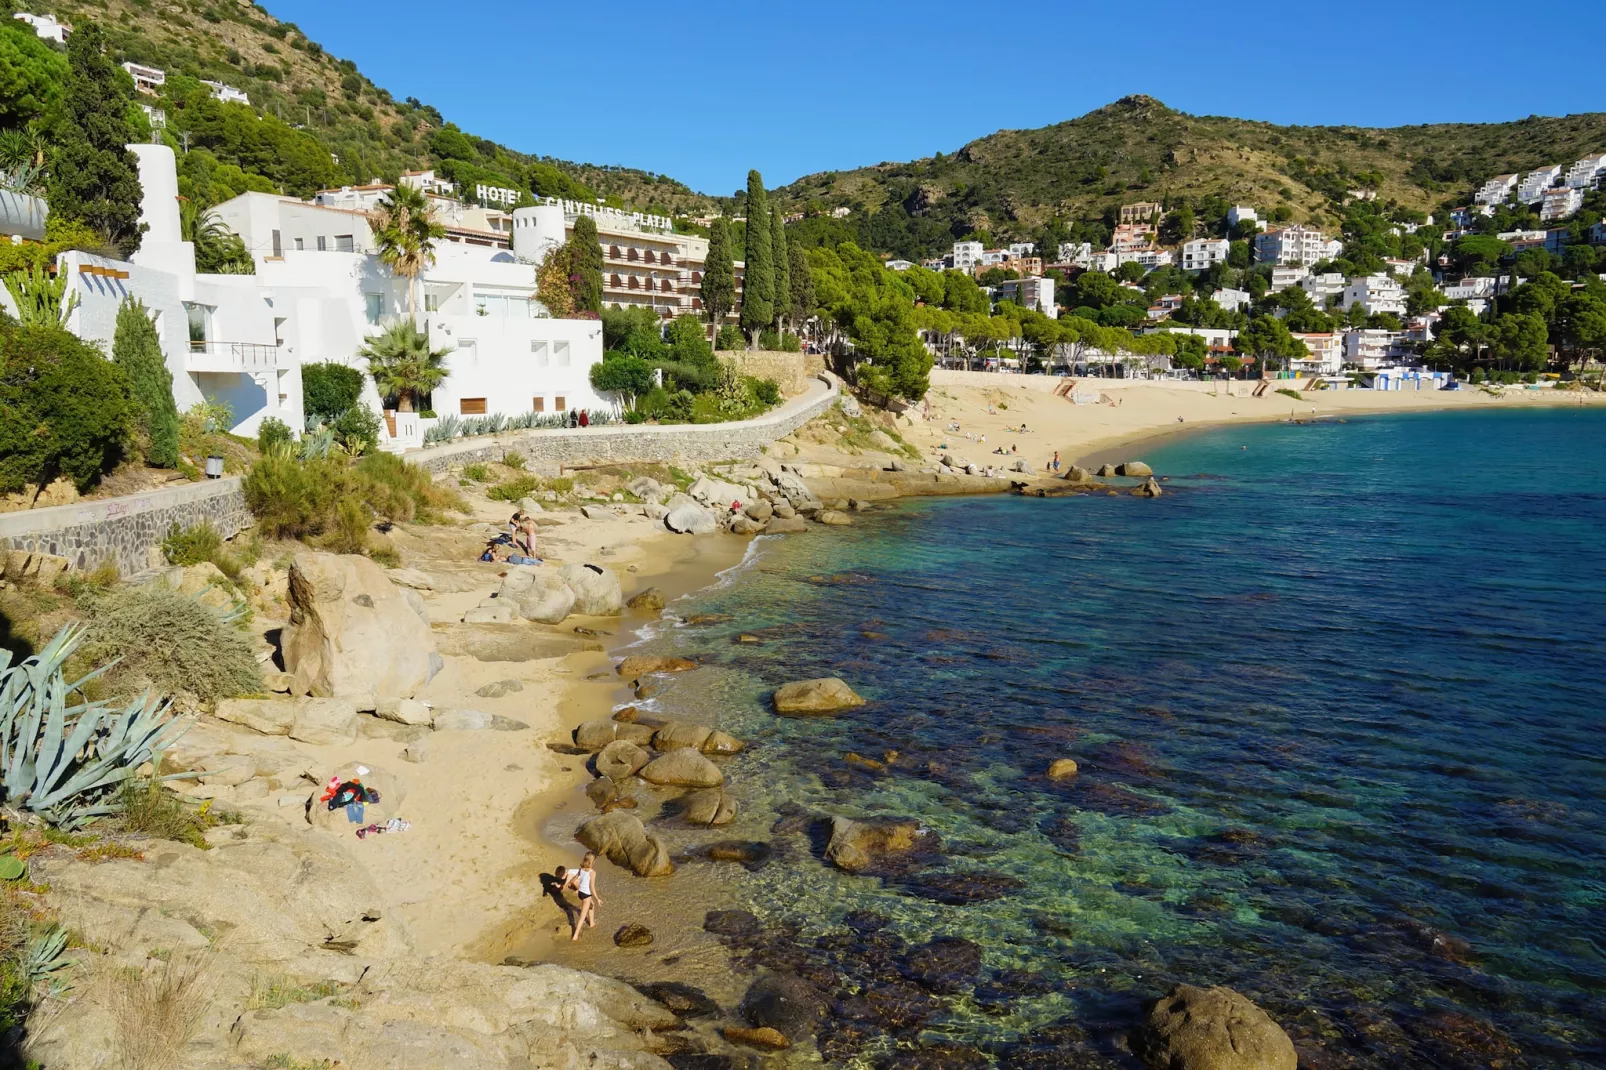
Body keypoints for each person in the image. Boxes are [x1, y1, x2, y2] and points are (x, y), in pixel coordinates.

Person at [566, 852, 600, 940]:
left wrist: (569, 883)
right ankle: (575, 935)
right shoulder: (593, 873)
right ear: (593, 862)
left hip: (580, 893)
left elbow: (575, 878)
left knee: (591, 905)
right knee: (582, 917)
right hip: (586, 895)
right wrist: (597, 898)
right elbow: (592, 887)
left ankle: (592, 923)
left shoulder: (581, 869)